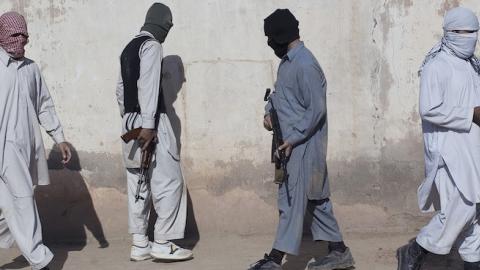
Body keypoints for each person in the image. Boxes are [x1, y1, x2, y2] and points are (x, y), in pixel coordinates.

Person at [248, 9, 354, 270]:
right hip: (289, 144)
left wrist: (294, 139)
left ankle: (274, 259)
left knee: (291, 201)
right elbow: (282, 98)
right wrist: (269, 115)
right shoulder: (288, 63)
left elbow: (317, 110)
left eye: (271, 38)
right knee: (315, 201)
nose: (269, 43)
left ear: (280, 37)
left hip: (303, 147)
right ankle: (339, 252)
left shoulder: (306, 65)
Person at [397, 7, 480, 270]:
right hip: (449, 148)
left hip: (473, 146)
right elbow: (429, 109)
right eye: (462, 33)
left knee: (475, 211)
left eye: (473, 33)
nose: (468, 38)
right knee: (462, 206)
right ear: (449, 34)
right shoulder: (438, 65)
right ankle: (415, 249)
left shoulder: (472, 65)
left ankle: (473, 262)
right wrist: (471, 114)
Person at [115, 2, 193, 262]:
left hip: (130, 122)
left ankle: (139, 243)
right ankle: (163, 242)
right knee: (169, 181)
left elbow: (120, 90)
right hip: (151, 122)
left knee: (138, 181)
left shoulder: (128, 48)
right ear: (163, 24)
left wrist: (130, 119)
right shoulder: (152, 46)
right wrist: (148, 124)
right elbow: (148, 85)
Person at [0, 11, 72, 270]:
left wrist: (59, 137)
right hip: (4, 146)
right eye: (14, 34)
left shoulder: (31, 69)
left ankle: (37, 256)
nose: (20, 40)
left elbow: (44, 105)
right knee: (16, 202)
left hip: (21, 149)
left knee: (19, 200)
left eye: (24, 35)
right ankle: (39, 257)